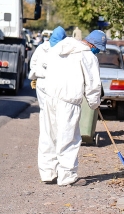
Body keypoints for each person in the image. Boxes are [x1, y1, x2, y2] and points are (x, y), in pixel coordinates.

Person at [40, 30, 106, 186]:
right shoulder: (88, 56)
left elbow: (44, 65)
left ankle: (48, 173)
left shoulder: (60, 47)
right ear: (93, 44)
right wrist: (94, 103)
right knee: (69, 138)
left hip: (49, 97)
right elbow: (93, 84)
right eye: (98, 48)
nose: (97, 51)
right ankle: (67, 176)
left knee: (49, 136)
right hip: (68, 101)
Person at [28, 26, 67, 184]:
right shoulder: (43, 49)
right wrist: (41, 74)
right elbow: (33, 68)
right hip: (47, 94)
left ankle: (53, 170)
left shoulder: (60, 50)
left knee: (53, 132)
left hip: (55, 95)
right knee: (49, 132)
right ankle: (48, 172)